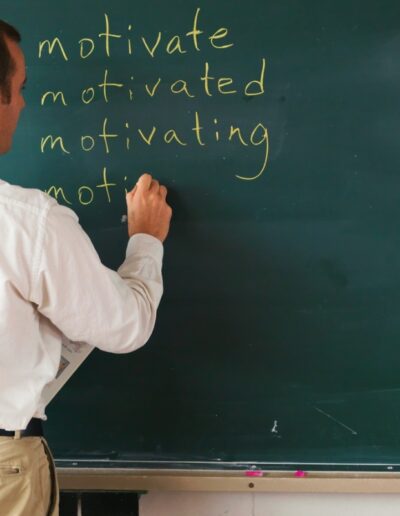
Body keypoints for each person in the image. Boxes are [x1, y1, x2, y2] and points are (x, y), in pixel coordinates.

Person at [0, 19, 172, 516]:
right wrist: (146, 240)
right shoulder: (27, 223)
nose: (25, 105)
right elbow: (127, 325)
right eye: (20, 88)